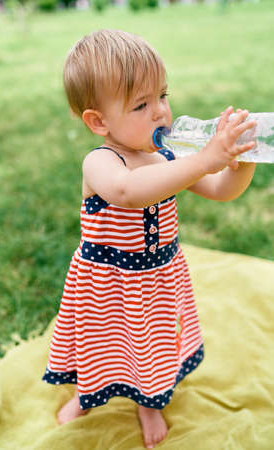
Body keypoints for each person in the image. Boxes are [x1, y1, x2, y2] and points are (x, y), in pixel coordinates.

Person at [42, 29, 256, 449]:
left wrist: (238, 160)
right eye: (141, 104)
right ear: (98, 121)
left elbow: (220, 190)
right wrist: (204, 160)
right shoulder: (101, 162)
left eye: (162, 95)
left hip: (156, 281)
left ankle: (148, 401)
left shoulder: (169, 156)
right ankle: (87, 394)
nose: (160, 111)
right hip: (106, 283)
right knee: (100, 341)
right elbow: (130, 191)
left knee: (153, 346)